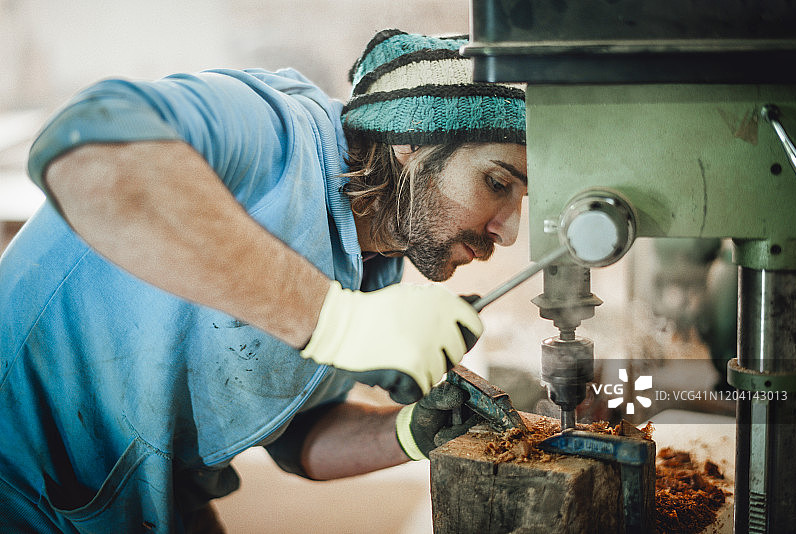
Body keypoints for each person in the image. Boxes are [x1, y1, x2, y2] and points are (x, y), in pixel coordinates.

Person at [0, 29, 526, 532]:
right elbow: (86, 148)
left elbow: (298, 439)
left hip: (150, 503)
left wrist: (409, 432)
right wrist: (334, 322)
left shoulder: (373, 272)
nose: (508, 232)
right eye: (497, 181)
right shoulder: (271, 133)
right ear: (413, 138)